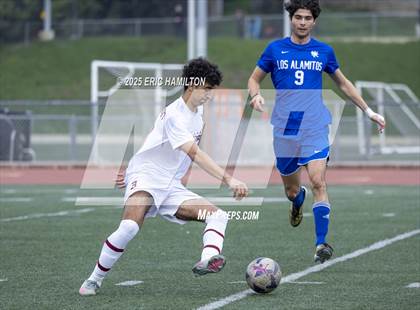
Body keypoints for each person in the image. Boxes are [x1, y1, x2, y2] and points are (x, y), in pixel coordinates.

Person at [79, 58, 249, 296]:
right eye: (207, 89)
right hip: (147, 177)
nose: (210, 94)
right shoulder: (175, 115)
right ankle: (94, 279)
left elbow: (156, 141)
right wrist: (229, 179)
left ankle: (209, 259)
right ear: (192, 85)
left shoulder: (197, 114)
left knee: (218, 216)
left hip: (169, 185)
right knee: (129, 227)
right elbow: (195, 153)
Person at [247, 0, 385, 263]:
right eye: (298, 17)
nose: (302, 22)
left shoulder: (324, 51)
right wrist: (255, 96)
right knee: (291, 189)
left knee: (318, 181)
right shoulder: (275, 49)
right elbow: (254, 78)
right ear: (291, 19)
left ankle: (321, 244)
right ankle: (297, 200)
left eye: (307, 18)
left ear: (314, 21)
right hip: (287, 128)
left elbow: (343, 84)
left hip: (315, 126)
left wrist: (369, 111)